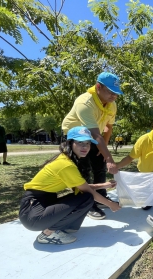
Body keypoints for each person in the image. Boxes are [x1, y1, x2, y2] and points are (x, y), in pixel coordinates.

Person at [18, 126, 121, 245]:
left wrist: (104, 185)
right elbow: (88, 191)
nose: (85, 147)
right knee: (87, 198)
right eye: (80, 143)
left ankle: (65, 227)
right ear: (70, 143)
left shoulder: (67, 159)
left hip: (40, 205)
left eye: (87, 143)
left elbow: (82, 187)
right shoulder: (66, 165)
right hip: (33, 214)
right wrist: (111, 204)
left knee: (84, 196)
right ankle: (47, 234)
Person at [62, 72, 123, 220]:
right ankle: (87, 204)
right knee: (83, 170)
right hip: (75, 137)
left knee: (99, 166)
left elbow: (108, 127)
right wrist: (110, 159)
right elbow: (95, 134)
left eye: (116, 93)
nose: (114, 96)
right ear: (98, 87)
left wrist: (104, 151)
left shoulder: (111, 104)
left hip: (95, 136)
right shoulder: (85, 102)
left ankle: (101, 197)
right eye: (110, 92)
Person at [116, 113, 153, 210]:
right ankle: (151, 200)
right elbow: (130, 157)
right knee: (145, 207)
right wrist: (117, 166)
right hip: (144, 173)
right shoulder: (143, 139)